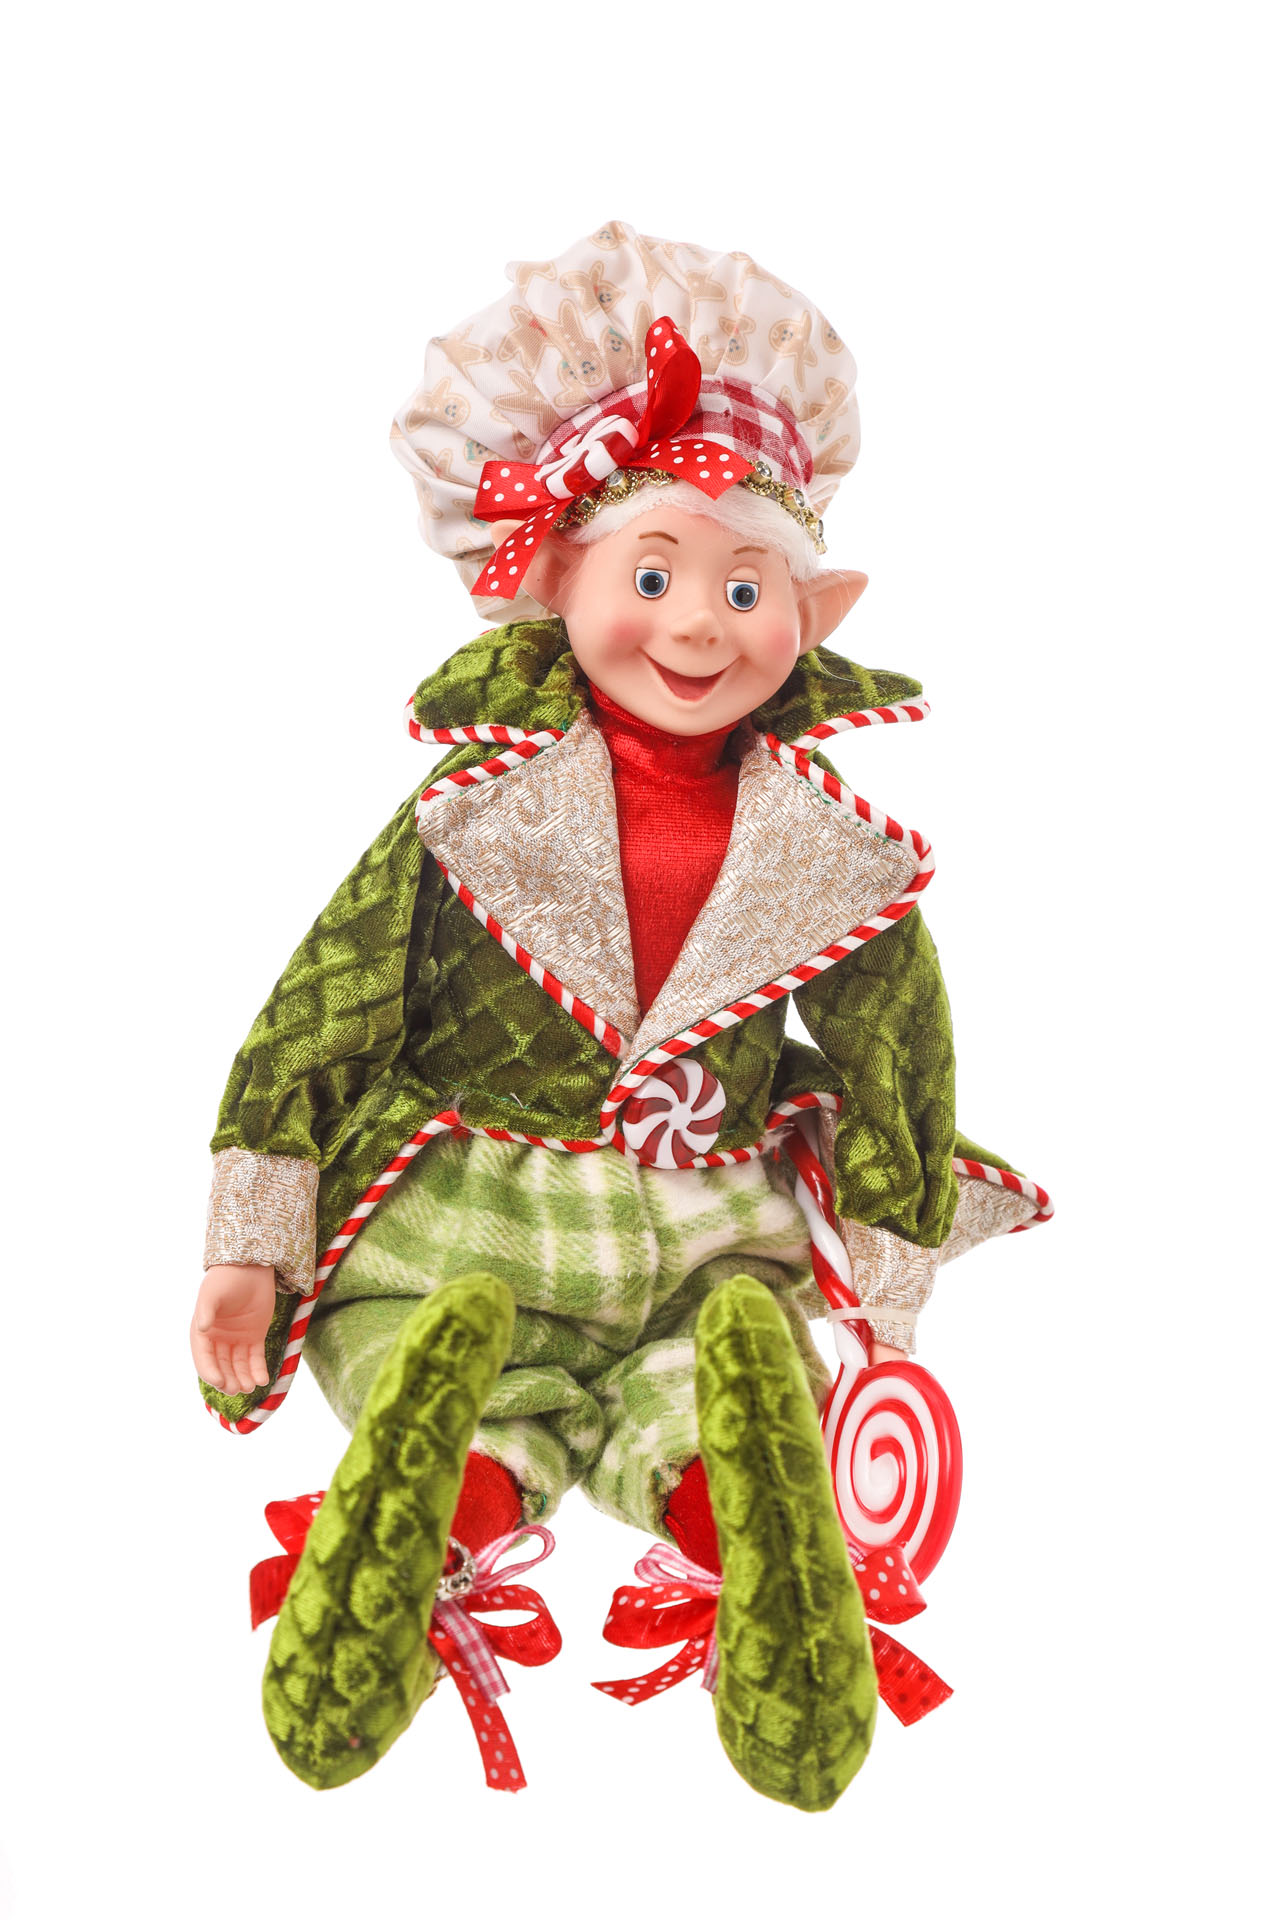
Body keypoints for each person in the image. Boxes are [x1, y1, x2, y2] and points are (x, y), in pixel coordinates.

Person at [191, 222, 1047, 1807]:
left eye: (747, 585)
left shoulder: (825, 847)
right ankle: (435, 1490)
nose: (700, 624)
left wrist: (887, 1283)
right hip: (472, 1205)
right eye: (655, 574)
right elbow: (329, 998)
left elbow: (897, 1056)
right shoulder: (474, 808)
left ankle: (751, 1511)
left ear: (817, 611)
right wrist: (254, 1239)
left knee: (705, 1382)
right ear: (555, 583)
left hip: (706, 1222)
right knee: (453, 1348)